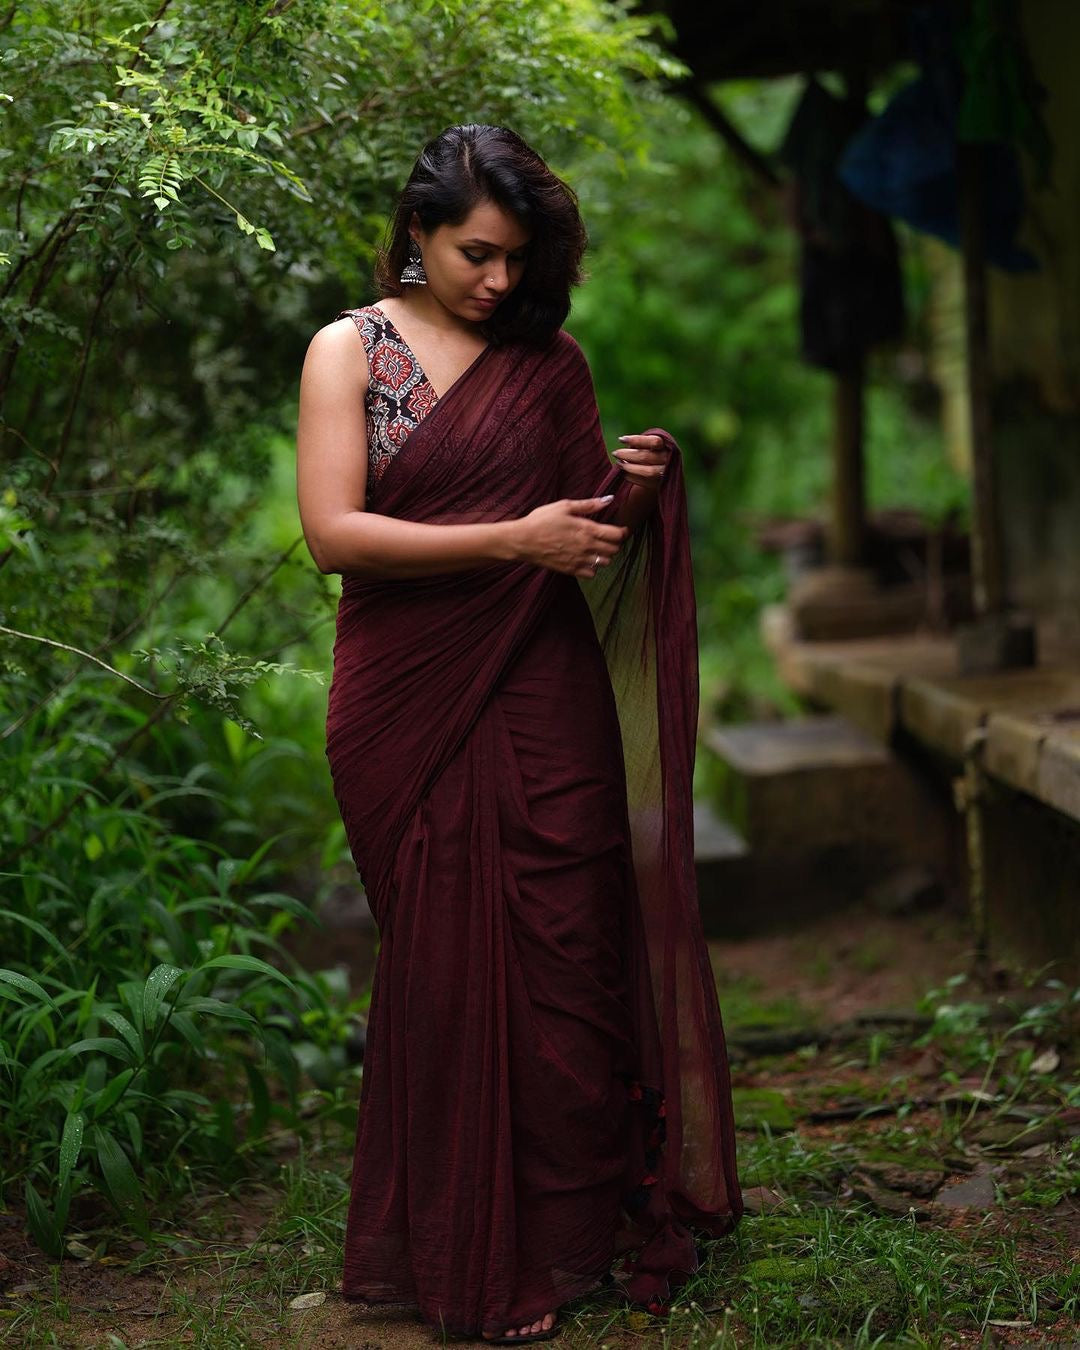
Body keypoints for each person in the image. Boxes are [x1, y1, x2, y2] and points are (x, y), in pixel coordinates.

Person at [296, 123, 741, 1345]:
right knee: (446, 974)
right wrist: (515, 539)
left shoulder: (552, 363)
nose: (499, 281)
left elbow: (573, 536)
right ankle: (462, 1255)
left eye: (517, 259)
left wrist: (630, 498)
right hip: (404, 695)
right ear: (417, 235)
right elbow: (335, 533)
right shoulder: (350, 354)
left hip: (544, 687)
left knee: (566, 948)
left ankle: (566, 1239)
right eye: (475, 255)